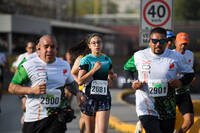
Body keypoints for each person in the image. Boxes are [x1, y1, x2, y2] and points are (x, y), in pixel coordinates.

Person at [8, 35, 83, 133]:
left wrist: (77, 93)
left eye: (52, 47)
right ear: (38, 49)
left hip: (57, 118)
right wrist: (31, 90)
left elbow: (69, 83)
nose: (49, 50)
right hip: (34, 119)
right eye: (46, 46)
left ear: (56, 49)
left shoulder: (64, 65)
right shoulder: (28, 65)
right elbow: (12, 87)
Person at [131, 27, 194, 133]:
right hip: (146, 105)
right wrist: (133, 81)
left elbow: (190, 73)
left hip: (167, 105)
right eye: (155, 41)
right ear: (150, 42)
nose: (158, 44)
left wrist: (181, 82)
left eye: (162, 41)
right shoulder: (139, 55)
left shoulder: (176, 56)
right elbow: (127, 69)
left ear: (166, 42)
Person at [78, 33, 116, 133]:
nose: (96, 45)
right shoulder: (86, 60)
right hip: (89, 98)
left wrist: (111, 77)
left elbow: (111, 74)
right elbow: (80, 80)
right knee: (90, 131)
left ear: (102, 44)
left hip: (104, 97)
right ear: (89, 46)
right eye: (93, 43)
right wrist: (93, 70)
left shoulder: (107, 59)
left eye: (98, 42)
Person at [174, 32, 195, 133]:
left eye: (185, 44)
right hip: (170, 93)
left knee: (189, 121)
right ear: (175, 43)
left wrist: (190, 79)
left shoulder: (190, 54)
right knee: (166, 121)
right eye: (181, 43)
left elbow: (189, 72)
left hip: (184, 92)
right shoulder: (169, 54)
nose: (183, 46)